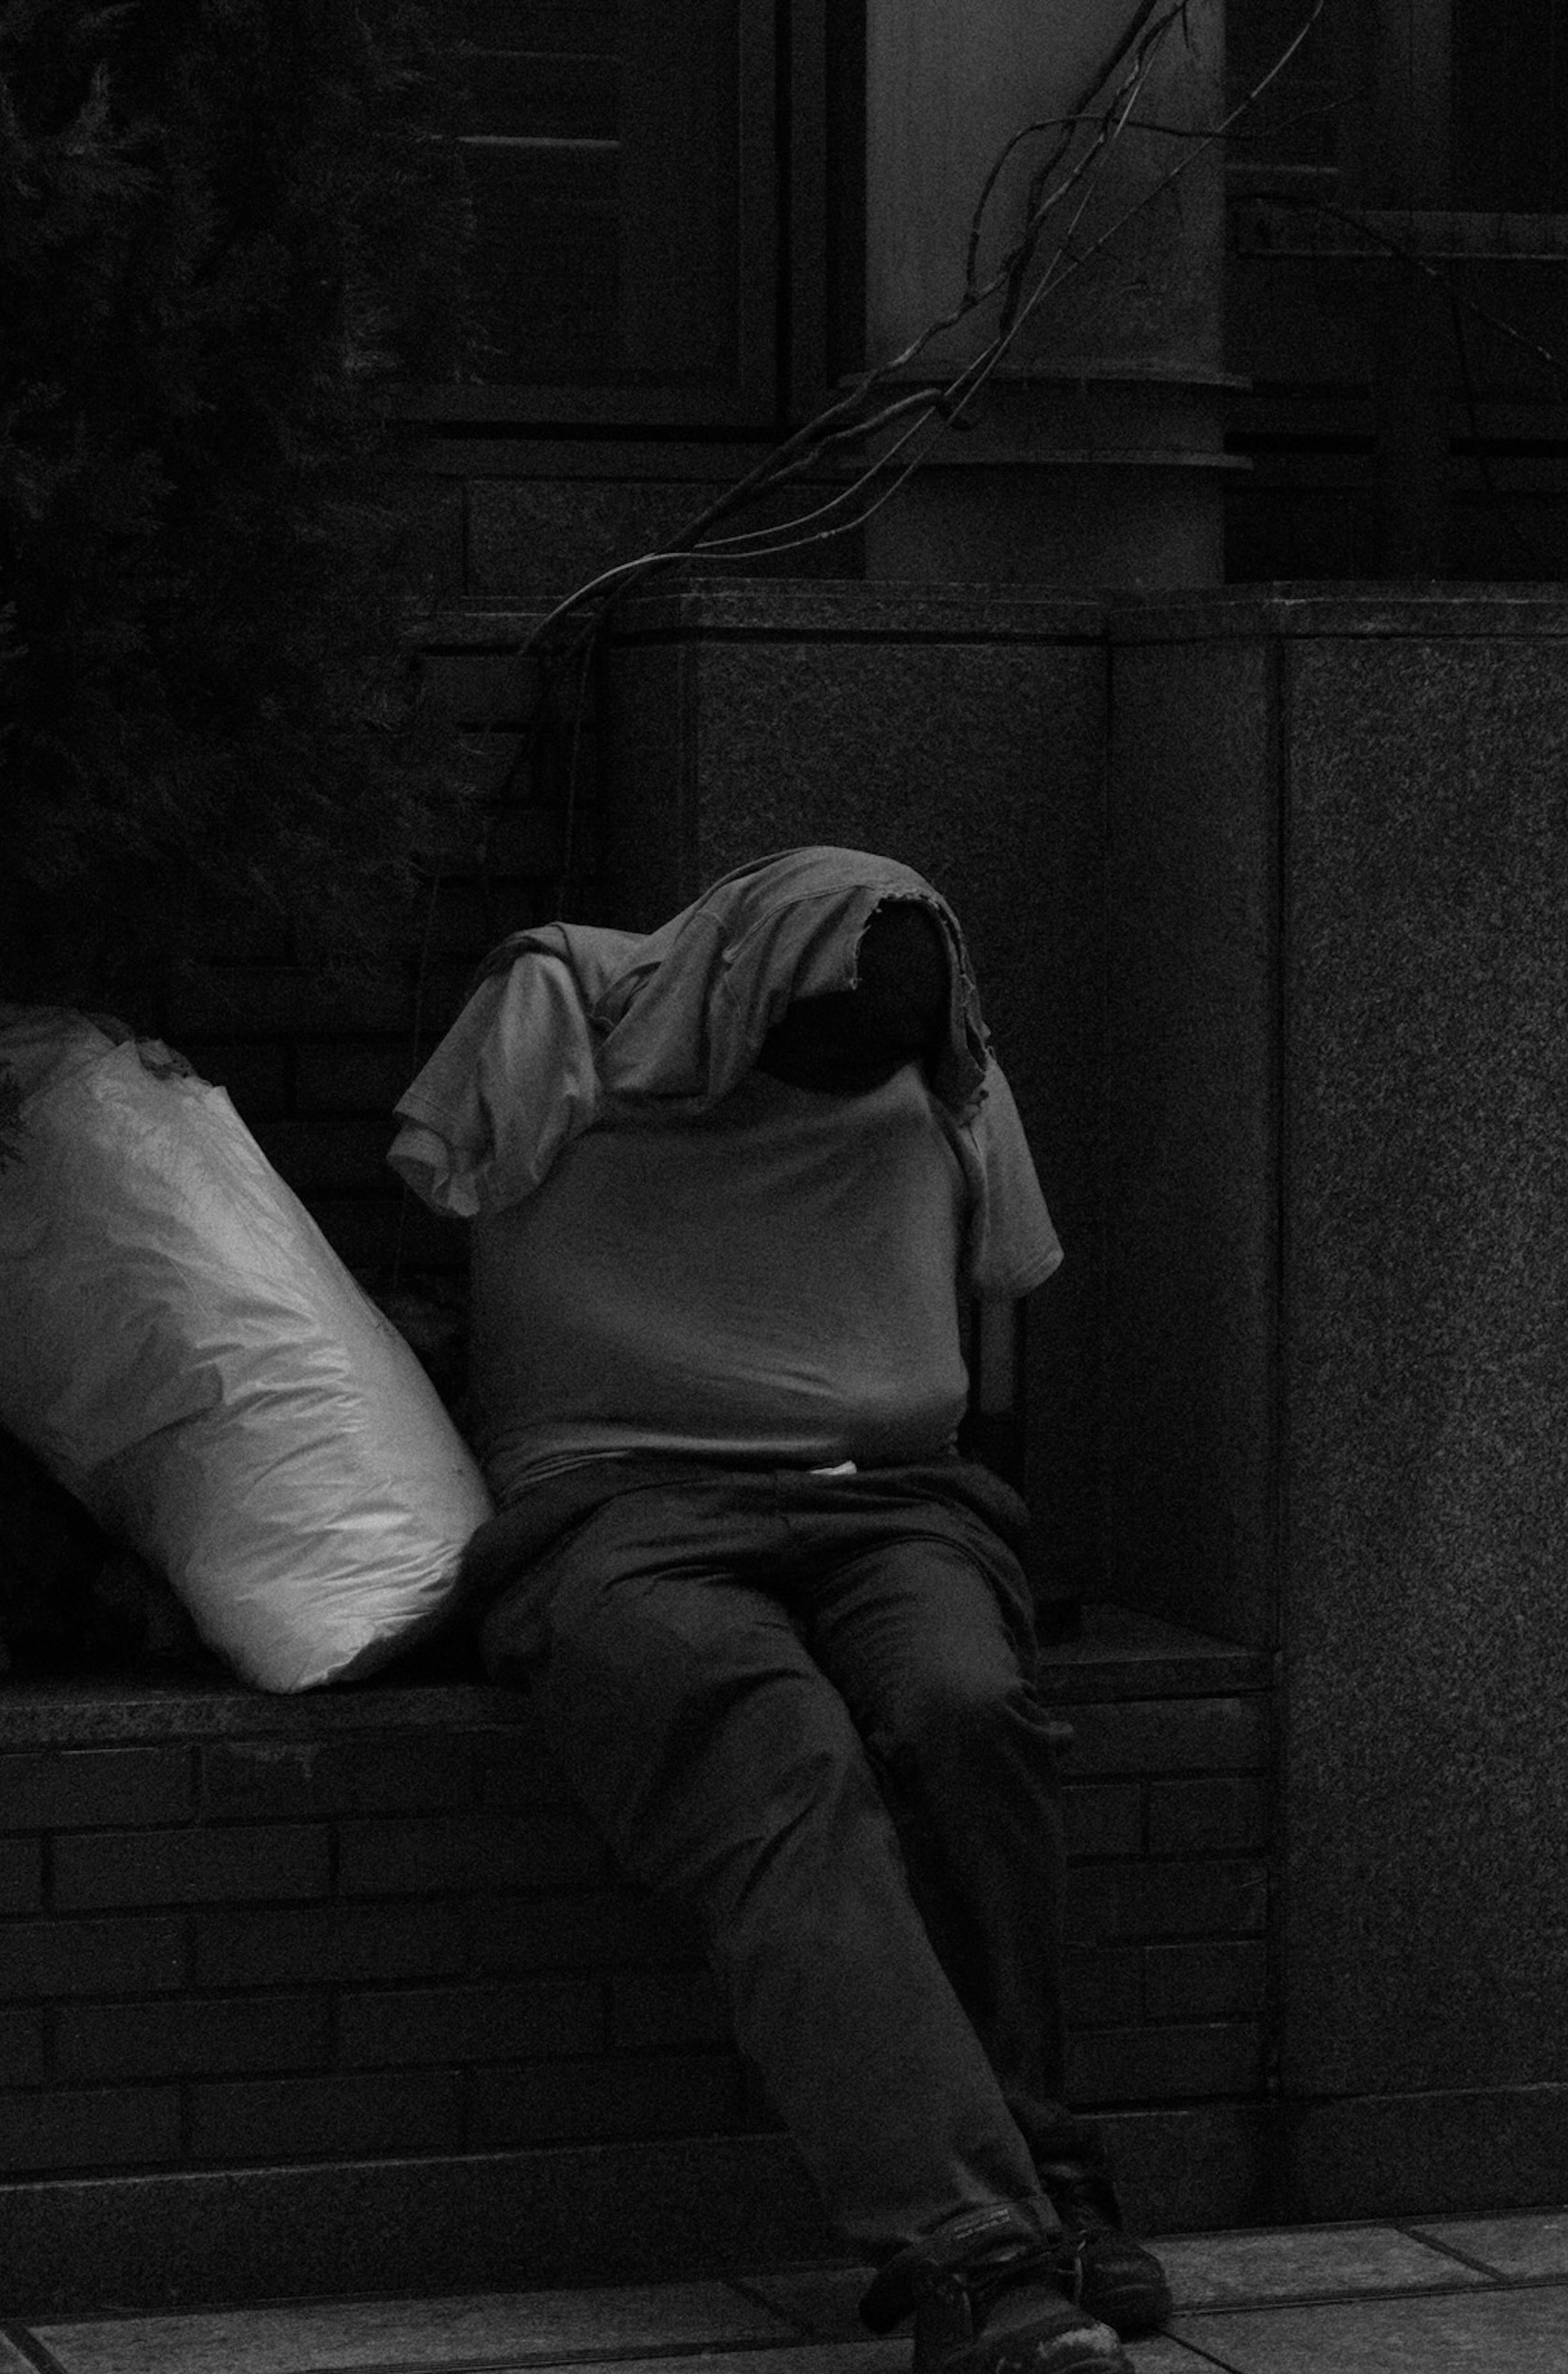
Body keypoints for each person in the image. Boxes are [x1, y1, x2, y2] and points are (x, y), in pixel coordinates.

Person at [390, 848, 1167, 2374]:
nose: (841, 1088)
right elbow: (447, 1184)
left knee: (970, 1711)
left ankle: (1051, 2169)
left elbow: (1004, 1288)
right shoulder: (574, 1002)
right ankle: (973, 2251)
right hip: (620, 1505)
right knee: (775, 1752)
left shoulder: (945, 1063)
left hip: (894, 1497)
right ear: (740, 985)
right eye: (810, 1059)